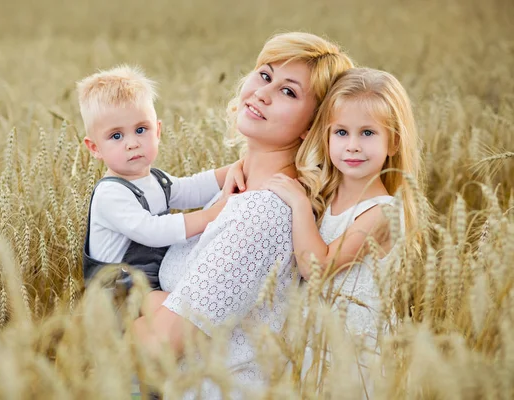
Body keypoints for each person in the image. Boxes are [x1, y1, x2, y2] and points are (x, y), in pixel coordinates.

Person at [131, 32, 354, 399]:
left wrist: (136, 306)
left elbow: (162, 346)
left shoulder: (261, 213)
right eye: (265, 75)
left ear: (313, 127)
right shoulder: (237, 187)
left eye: (289, 92)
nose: (263, 93)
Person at [262, 67, 425, 391]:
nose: (352, 145)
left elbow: (317, 266)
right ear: (326, 136)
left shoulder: (382, 212)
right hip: (314, 342)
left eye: (367, 133)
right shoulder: (324, 193)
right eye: (341, 133)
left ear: (393, 141)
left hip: (354, 352)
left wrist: (297, 205)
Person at [77, 65, 245, 292]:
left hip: (148, 284)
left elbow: (192, 188)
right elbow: (152, 231)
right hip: (118, 294)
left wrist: (239, 167)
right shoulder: (110, 194)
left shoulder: (155, 180)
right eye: (116, 135)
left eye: (141, 129)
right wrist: (211, 215)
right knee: (173, 311)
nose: (132, 143)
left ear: (157, 132)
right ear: (95, 148)